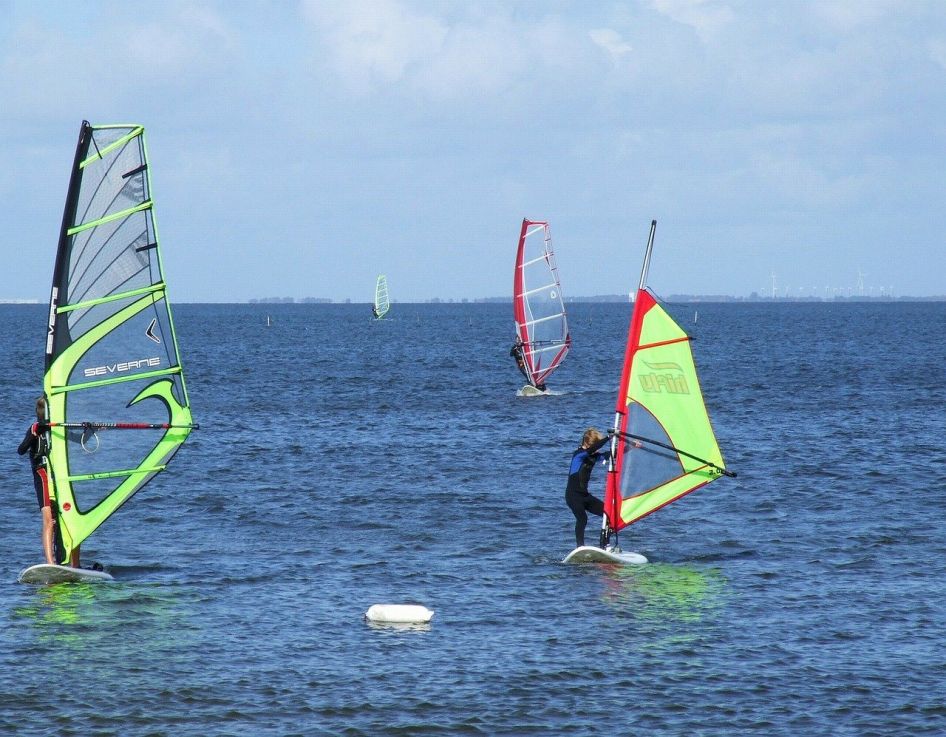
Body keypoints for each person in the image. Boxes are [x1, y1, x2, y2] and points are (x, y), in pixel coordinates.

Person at [18, 397, 56, 565]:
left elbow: (77, 440)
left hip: (58, 477)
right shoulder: (35, 428)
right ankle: (50, 563)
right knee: (48, 520)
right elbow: (21, 450)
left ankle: (71, 563)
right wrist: (33, 435)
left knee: (64, 519)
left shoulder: (57, 428)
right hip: (42, 476)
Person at [564, 427, 612, 548]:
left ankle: (605, 545)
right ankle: (580, 547)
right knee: (582, 519)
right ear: (588, 444)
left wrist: (629, 447)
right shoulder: (578, 455)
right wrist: (608, 437)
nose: (598, 449)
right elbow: (592, 449)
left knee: (608, 515)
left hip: (585, 496)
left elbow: (609, 455)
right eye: (596, 446)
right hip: (573, 497)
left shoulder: (593, 455)